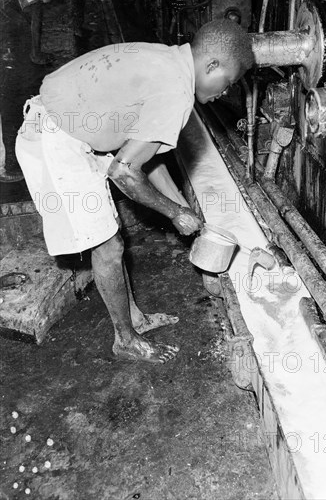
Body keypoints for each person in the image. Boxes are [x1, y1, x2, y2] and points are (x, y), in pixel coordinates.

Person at [15, 19, 255, 363]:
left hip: (66, 127)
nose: (226, 92)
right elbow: (124, 172)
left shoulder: (171, 63)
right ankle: (125, 340)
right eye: (228, 81)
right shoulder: (177, 92)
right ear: (212, 65)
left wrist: (182, 208)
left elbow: (147, 159)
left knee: (112, 239)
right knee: (109, 246)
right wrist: (174, 213)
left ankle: (135, 319)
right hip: (55, 137)